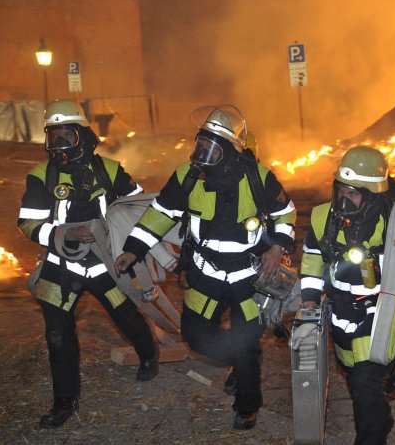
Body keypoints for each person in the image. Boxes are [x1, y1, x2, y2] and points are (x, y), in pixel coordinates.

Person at [114, 104, 296, 431]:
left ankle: (247, 406)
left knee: (246, 340)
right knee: (196, 338)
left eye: (212, 148)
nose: (202, 154)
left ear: (230, 151)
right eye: (201, 144)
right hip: (205, 275)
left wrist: (277, 247)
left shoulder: (259, 177)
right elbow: (159, 214)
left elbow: (286, 214)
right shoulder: (187, 176)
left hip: (249, 280)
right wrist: (133, 249)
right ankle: (242, 365)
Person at [17, 99, 158, 429]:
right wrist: (67, 234)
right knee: (57, 334)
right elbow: (28, 223)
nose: (59, 146)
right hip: (60, 267)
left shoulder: (109, 170)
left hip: (106, 265)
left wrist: (131, 246)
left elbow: (136, 206)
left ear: (82, 135)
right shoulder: (40, 177)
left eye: (66, 137)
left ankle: (149, 353)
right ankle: (64, 401)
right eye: (53, 138)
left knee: (126, 316)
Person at [299, 145, 395, 445]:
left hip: (383, 318)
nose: (343, 199)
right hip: (342, 320)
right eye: (340, 190)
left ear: (371, 195)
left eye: (353, 194)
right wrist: (309, 298)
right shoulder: (321, 218)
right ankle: (384, 407)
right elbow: (312, 260)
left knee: (363, 382)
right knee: (355, 376)